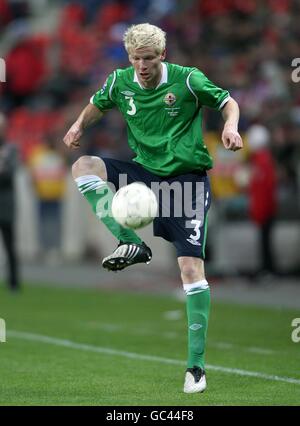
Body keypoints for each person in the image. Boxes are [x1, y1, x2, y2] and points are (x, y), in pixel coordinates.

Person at [63, 23, 243, 394]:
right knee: (83, 167)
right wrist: (78, 125)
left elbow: (228, 102)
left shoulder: (188, 80)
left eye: (149, 58)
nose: (142, 66)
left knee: (191, 268)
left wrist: (231, 127)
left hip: (185, 180)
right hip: (145, 173)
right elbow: (97, 105)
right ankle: (130, 242)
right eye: (136, 59)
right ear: (129, 57)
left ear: (162, 56)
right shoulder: (119, 82)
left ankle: (196, 367)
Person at [246, 124, 277, 277]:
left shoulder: (262, 161)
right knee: (264, 240)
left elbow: (264, 188)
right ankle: (266, 268)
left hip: (264, 209)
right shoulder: (261, 160)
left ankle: (267, 269)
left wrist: (260, 211)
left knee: (265, 241)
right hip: (264, 208)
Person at [0, 113, 20, 291]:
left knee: (10, 245)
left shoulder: (11, 148)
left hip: (5, 205)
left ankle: (13, 282)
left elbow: (8, 174)